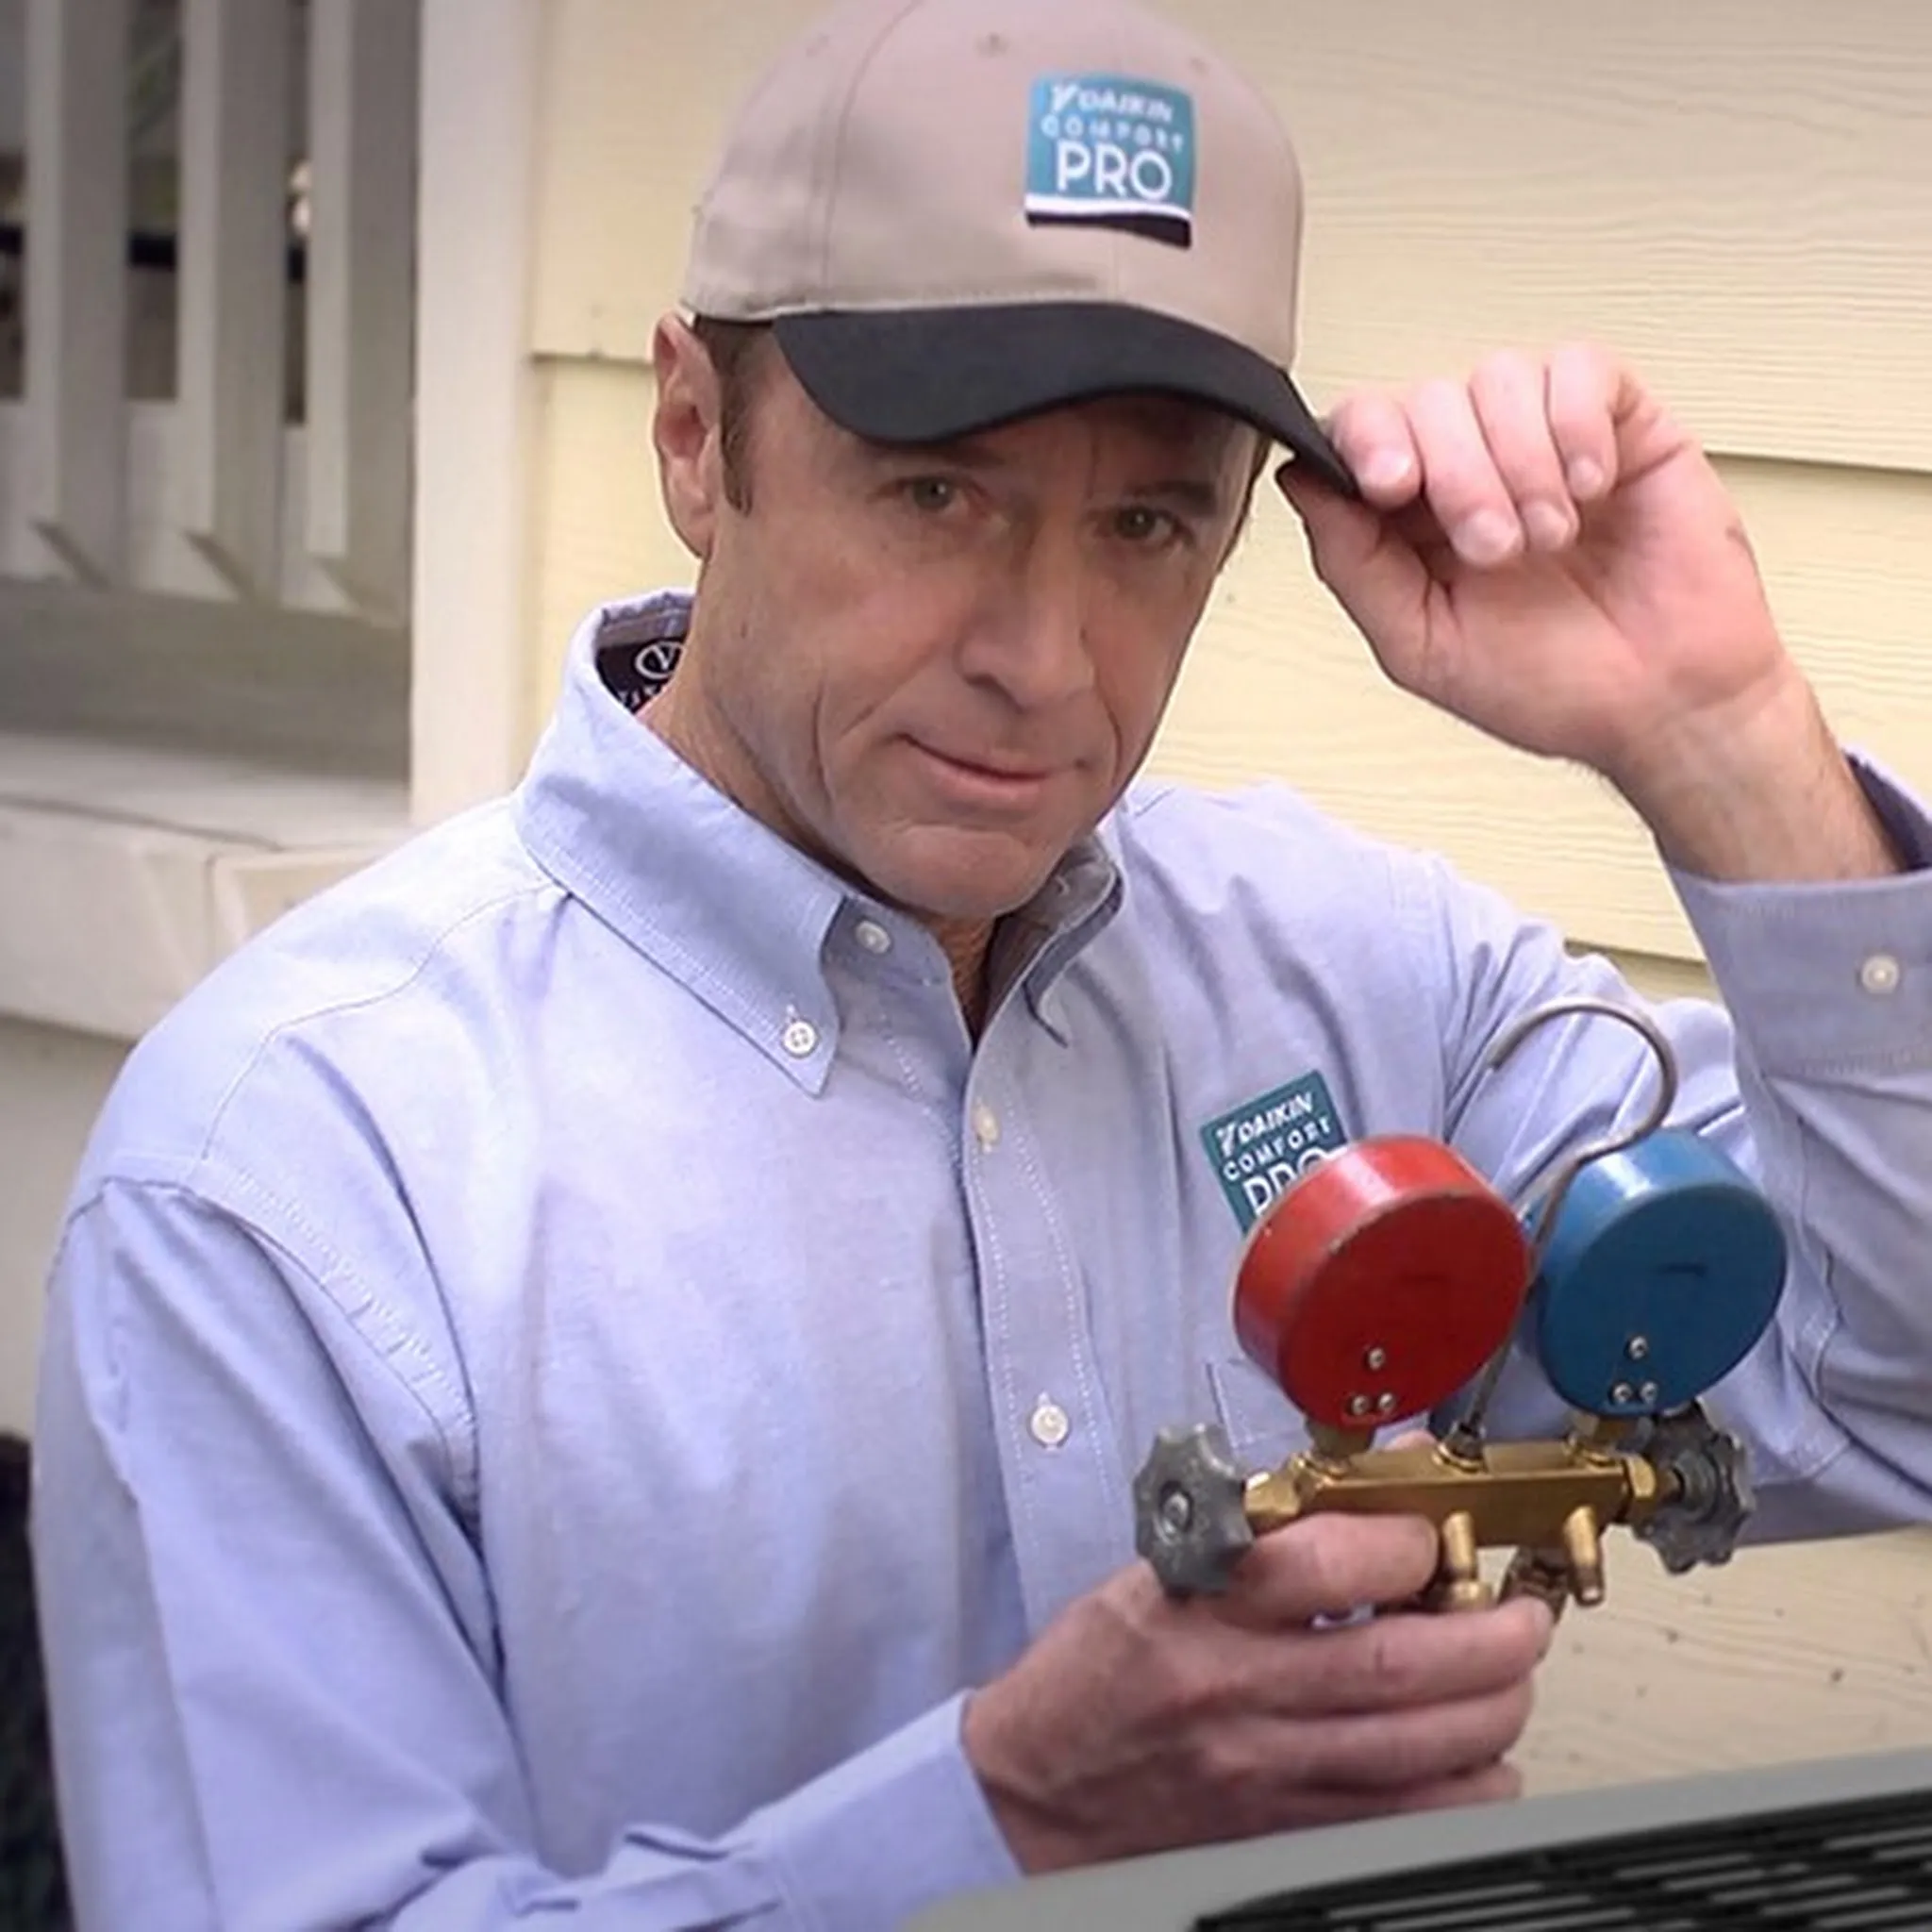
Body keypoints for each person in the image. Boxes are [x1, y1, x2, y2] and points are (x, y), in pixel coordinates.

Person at [29, 0, 1932, 1925]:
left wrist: (1721, 740)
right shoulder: (292, 1174)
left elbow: (1888, 1392)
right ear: (693, 433)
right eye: (937, 493)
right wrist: (998, 1821)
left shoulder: (1371, 984)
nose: (1043, 655)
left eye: (1144, 523)